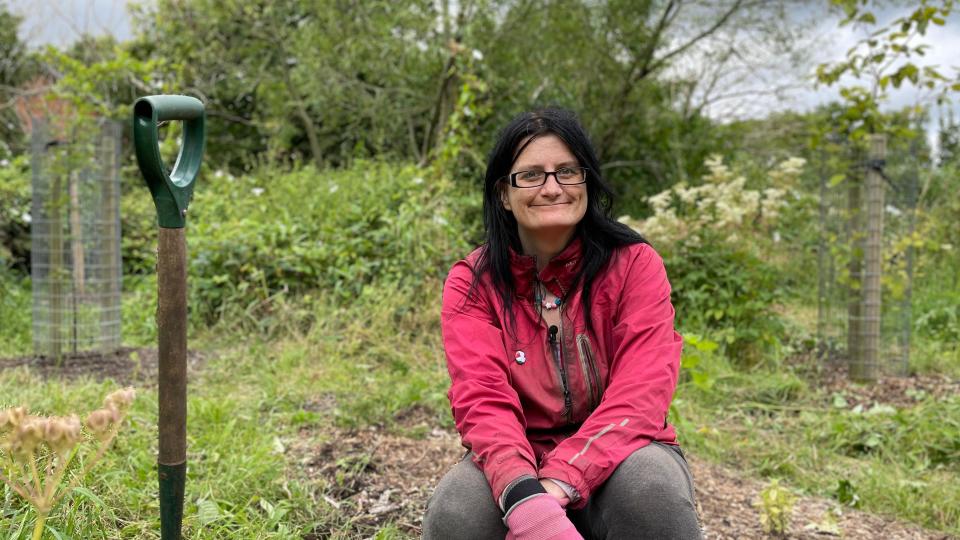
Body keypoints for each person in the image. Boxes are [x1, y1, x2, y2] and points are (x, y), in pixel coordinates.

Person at [422, 108, 701, 540]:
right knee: (457, 512)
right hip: (517, 455)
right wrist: (525, 496)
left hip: (624, 449)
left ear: (586, 181)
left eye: (567, 171)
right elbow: (482, 400)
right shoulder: (473, 282)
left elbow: (642, 392)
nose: (552, 188)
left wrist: (562, 479)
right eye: (531, 175)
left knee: (651, 492)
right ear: (502, 193)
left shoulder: (634, 265)